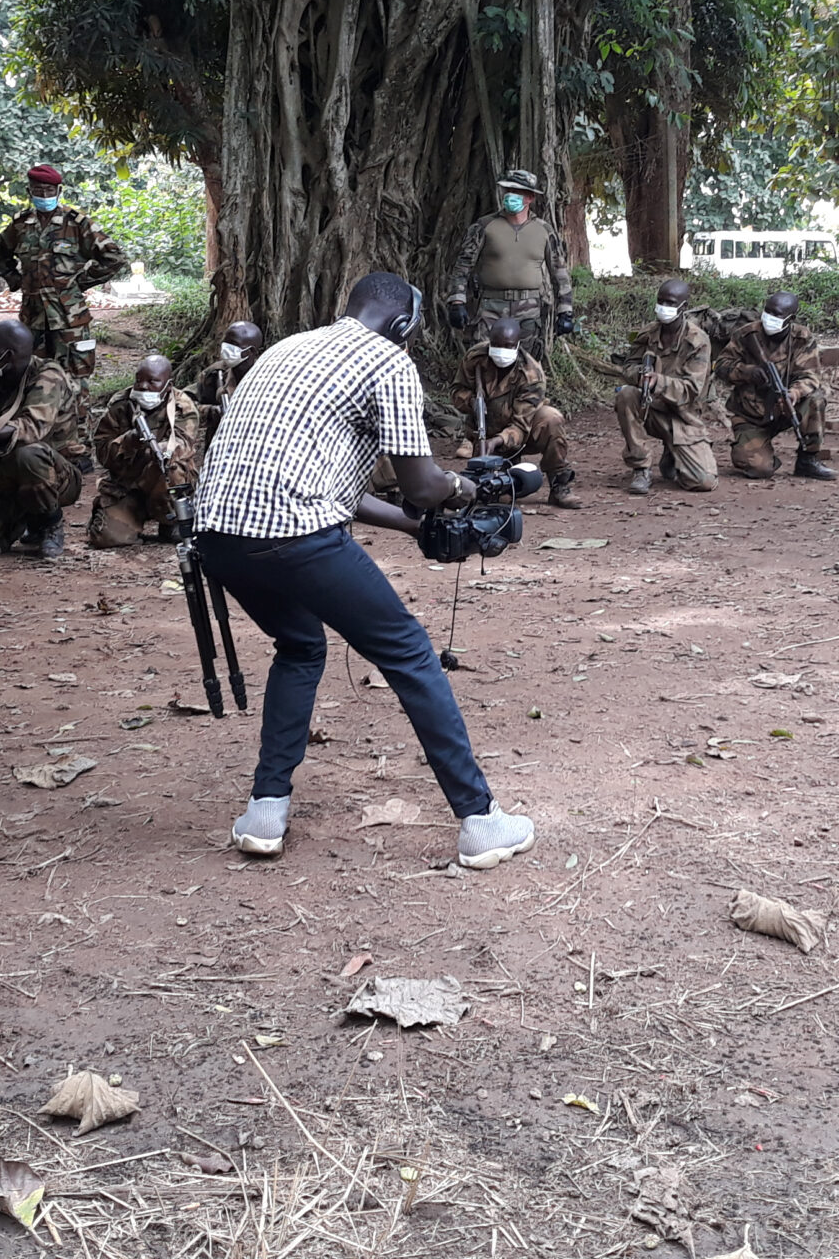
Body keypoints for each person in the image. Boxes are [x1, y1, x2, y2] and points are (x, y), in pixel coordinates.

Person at [193, 272, 536, 869]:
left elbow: (335, 489)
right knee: (409, 653)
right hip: (298, 534)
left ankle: (265, 812)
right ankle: (481, 821)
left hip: (218, 536)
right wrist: (465, 489)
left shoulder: (287, 348)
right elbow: (425, 485)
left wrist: (411, 528)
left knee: (300, 647)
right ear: (404, 324)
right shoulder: (388, 363)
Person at [0, 320, 89, 557]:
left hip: (58, 475)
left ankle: (50, 523)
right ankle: (19, 520)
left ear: (9, 355)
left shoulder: (49, 376)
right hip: (12, 474)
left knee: (29, 453)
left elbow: (29, 430)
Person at [0, 164, 126, 379]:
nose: (44, 195)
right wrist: (16, 281)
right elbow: (0, 254)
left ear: (59, 191)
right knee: (32, 375)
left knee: (75, 377)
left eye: (50, 190)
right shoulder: (20, 225)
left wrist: (81, 283)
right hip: (32, 318)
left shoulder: (77, 224)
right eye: (38, 190)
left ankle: (76, 414)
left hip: (70, 318)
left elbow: (113, 257)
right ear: (29, 192)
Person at [453, 316, 582, 508]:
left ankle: (559, 485)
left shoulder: (531, 373)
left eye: (508, 346)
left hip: (522, 433)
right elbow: (456, 392)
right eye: (496, 345)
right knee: (490, 497)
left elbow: (521, 426)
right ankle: (506, 472)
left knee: (551, 418)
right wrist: (472, 402)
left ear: (517, 345)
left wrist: (497, 440)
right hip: (485, 432)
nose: (501, 351)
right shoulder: (475, 358)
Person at [444, 168, 575, 351]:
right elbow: (463, 266)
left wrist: (565, 312)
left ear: (530, 197)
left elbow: (560, 274)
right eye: (508, 191)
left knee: (525, 362)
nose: (510, 196)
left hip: (529, 310)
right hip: (490, 306)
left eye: (518, 192)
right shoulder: (484, 226)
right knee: (482, 357)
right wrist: (457, 302)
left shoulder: (544, 231)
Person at [88, 354, 207, 548]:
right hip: (127, 486)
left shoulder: (182, 406)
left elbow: (184, 446)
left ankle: (170, 520)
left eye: (153, 382)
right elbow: (102, 454)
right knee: (108, 539)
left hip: (162, 481)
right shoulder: (121, 405)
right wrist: (129, 441)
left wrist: (161, 450)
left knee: (173, 468)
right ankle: (122, 516)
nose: (143, 387)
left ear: (168, 385)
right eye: (139, 381)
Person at [614, 278, 718, 494]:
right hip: (650, 409)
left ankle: (673, 453)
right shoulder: (647, 334)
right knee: (626, 395)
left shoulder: (698, 341)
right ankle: (641, 468)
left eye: (670, 303)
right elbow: (629, 366)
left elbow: (692, 389)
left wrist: (658, 382)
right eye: (661, 302)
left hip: (683, 416)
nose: (664, 308)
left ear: (684, 307)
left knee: (703, 482)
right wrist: (641, 376)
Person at [719, 290, 834, 480]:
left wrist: (794, 393)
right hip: (751, 414)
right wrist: (747, 372)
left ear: (791, 318)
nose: (770, 318)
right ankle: (762, 453)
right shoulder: (747, 334)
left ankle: (808, 459)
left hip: (785, 408)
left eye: (777, 315)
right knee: (760, 469)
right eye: (768, 311)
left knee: (815, 400)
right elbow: (721, 366)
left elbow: (811, 376)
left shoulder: (802, 338)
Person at [192, 320, 264, 431]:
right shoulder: (215, 372)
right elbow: (183, 403)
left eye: (233, 344)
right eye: (226, 342)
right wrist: (211, 411)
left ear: (251, 351)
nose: (226, 348)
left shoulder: (265, 378)